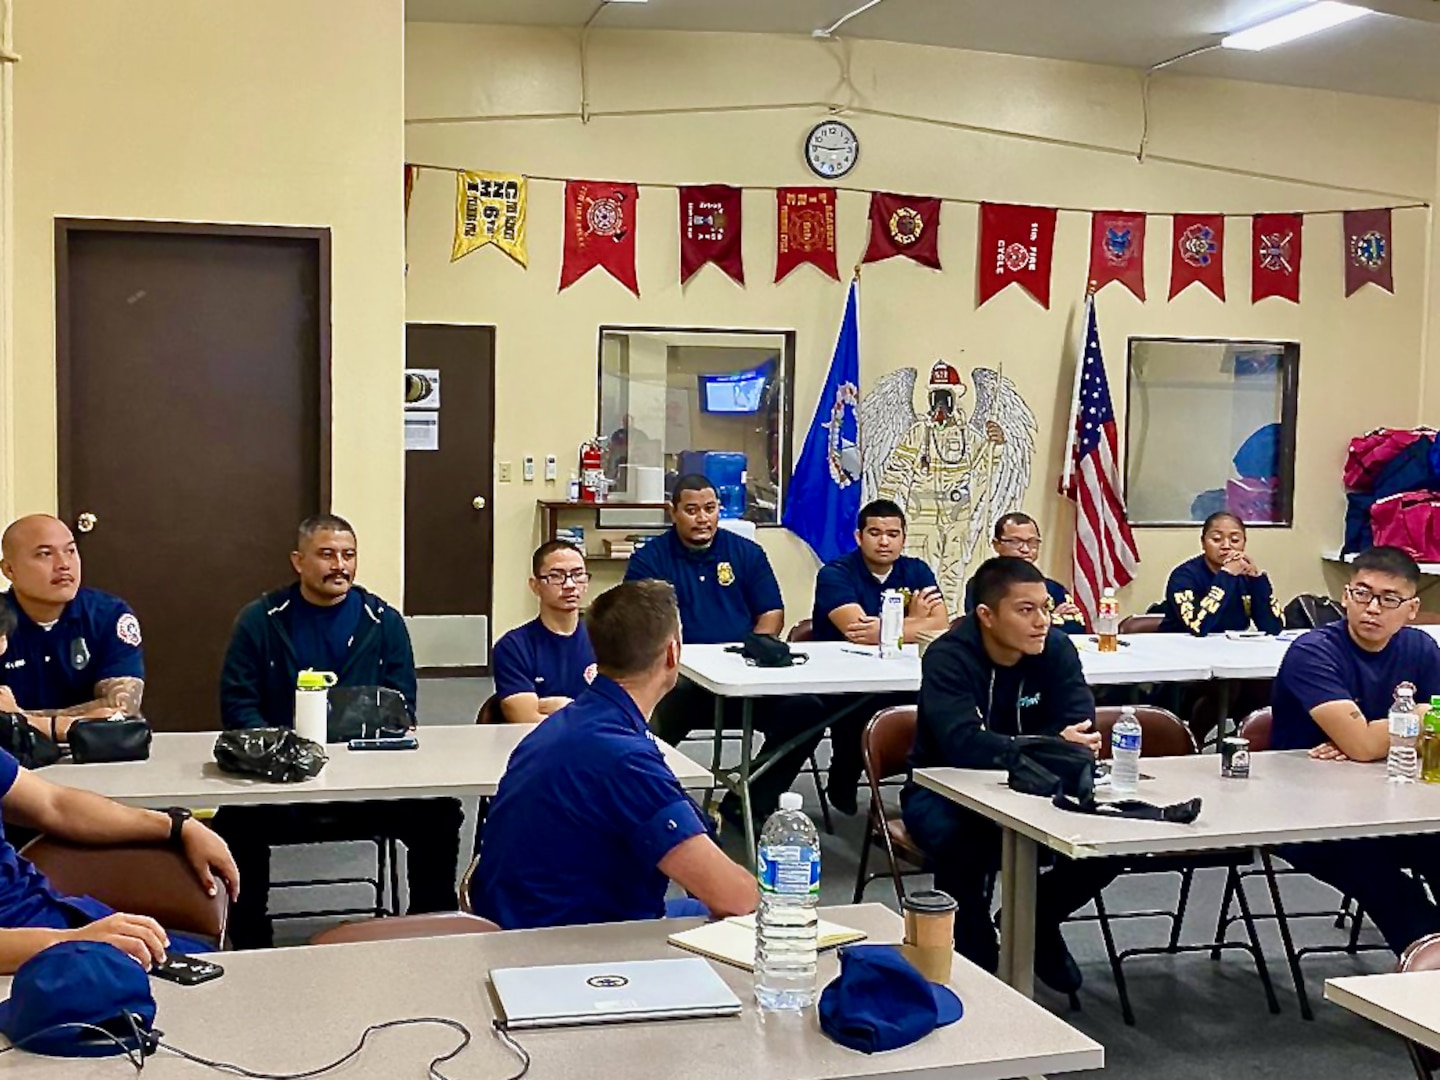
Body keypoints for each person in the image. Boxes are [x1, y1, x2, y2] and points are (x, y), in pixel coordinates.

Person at [212, 514, 462, 948]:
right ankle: (253, 944)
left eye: (348, 555)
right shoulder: (261, 619)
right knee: (234, 824)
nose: (339, 565)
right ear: (298, 561)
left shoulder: (381, 621)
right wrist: (283, 755)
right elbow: (237, 706)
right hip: (280, 787)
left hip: (369, 787)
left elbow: (402, 707)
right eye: (326, 554)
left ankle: (429, 931)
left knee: (439, 813)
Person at [471, 580, 757, 929]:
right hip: (571, 948)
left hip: (517, 923)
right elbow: (735, 898)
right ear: (673, 652)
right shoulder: (624, 759)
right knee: (758, 918)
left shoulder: (568, 723)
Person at [902, 557, 1117, 992]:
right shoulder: (949, 656)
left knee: (1113, 840)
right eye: (1025, 610)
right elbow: (961, 744)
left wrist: (1041, 747)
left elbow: (1080, 723)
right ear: (987, 615)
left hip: (1041, 787)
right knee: (966, 841)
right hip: (945, 790)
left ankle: (1035, 919)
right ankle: (974, 945)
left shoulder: (1056, 649)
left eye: (1046, 608)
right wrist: (1049, 744)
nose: (1042, 621)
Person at [0, 606, 239, 972]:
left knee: (221, 973)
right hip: (32, 957)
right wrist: (70, 943)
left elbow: (55, 805)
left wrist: (176, 825)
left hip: (52, 919)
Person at [625, 474, 824, 825]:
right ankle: (654, 810)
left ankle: (748, 798)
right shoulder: (650, 559)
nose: (702, 519)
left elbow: (771, 614)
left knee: (807, 711)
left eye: (710, 509)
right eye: (691, 510)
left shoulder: (746, 553)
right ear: (672, 512)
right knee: (639, 724)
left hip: (744, 683)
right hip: (682, 684)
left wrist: (757, 650)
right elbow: (641, 625)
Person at [1270, 546, 1440, 954]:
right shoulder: (1313, 651)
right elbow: (1362, 745)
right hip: (1310, 818)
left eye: (1388, 599)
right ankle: (1425, 955)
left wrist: (1372, 737)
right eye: (1362, 594)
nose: (1372, 609)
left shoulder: (1421, 649)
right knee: (1382, 879)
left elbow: (1369, 741)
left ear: (1411, 608)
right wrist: (1414, 720)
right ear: (1345, 597)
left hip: (1396, 807)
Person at [811, 499, 948, 813]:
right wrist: (916, 620)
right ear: (859, 537)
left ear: (903, 537)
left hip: (902, 673)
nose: (884, 541)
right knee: (864, 707)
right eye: (875, 532)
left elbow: (940, 623)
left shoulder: (917, 570)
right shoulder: (836, 573)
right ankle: (844, 771)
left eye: (892, 533)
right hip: (843, 679)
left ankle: (920, 789)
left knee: (936, 707)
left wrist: (892, 627)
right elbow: (859, 631)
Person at [0, 515, 145, 741]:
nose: (63, 564)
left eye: (70, 551)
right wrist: (70, 725)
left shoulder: (109, 614)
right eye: (45, 554)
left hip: (95, 752)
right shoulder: (2, 620)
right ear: (9, 570)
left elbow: (122, 709)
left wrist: (22, 719)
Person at [491, 541, 596, 724]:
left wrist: (567, 708)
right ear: (535, 586)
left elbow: (623, 711)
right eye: (556, 576)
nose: (570, 585)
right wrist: (587, 713)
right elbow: (525, 720)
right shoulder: (513, 646)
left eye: (578, 575)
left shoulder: (606, 640)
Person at [1159, 511, 1282, 636]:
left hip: (1231, 648)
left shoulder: (1246, 576)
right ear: (1203, 543)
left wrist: (1257, 581)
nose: (1226, 546)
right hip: (1180, 646)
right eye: (1217, 539)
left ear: (1244, 543)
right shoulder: (1183, 576)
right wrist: (1226, 575)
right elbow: (1198, 626)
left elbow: (1274, 628)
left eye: (1235, 540)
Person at [962, 513, 1085, 635]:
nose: (1025, 549)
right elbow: (985, 629)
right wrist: (1051, 620)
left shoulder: (1054, 588)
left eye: (1032, 542)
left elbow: (1076, 628)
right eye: (1015, 542)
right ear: (996, 545)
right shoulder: (981, 585)